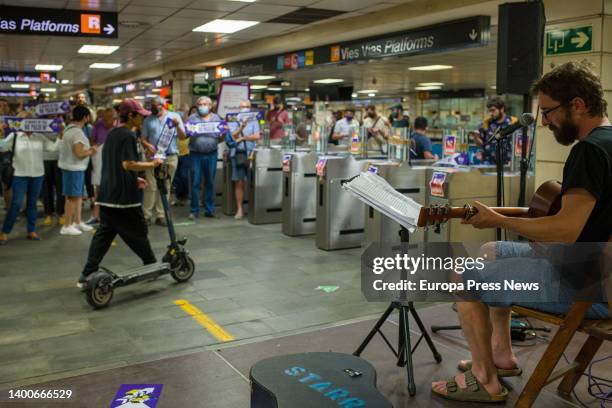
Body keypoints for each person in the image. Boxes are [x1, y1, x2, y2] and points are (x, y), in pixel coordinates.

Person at [431, 61, 611, 403]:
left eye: (548, 112)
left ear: (578, 104)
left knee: (464, 275)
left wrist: (497, 220)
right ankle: (500, 355)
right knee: (493, 252)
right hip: (597, 273)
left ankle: (484, 378)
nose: (544, 122)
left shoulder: (588, 151)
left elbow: (565, 230)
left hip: (587, 289)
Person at [78, 99, 163, 288]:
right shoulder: (127, 135)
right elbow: (127, 164)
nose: (143, 118)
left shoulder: (113, 134)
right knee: (138, 231)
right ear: (131, 116)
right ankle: (151, 264)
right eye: (140, 115)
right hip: (124, 198)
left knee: (104, 235)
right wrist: (152, 164)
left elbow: (116, 165)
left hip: (108, 195)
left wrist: (134, 179)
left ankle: (87, 273)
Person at [0, 112, 60, 244]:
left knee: (32, 204)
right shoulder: (14, 136)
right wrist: (0, 133)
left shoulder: (39, 136)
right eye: (27, 120)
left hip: (37, 174)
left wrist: (60, 136)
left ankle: (31, 231)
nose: (30, 123)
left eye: (33, 120)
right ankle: (5, 232)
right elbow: (2, 147)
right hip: (19, 175)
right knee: (16, 204)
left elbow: (53, 148)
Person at [141, 96, 186, 226]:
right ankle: (146, 215)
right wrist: (147, 145)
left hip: (170, 156)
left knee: (166, 186)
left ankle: (161, 215)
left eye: (155, 105)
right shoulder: (148, 120)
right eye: (151, 106)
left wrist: (177, 126)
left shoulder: (174, 117)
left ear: (163, 105)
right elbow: (143, 138)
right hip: (153, 157)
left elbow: (183, 137)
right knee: (151, 185)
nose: (153, 108)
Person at [58, 105, 97, 236]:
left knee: (78, 196)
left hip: (74, 168)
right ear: (85, 117)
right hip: (73, 169)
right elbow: (79, 153)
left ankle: (77, 221)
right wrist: (91, 151)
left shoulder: (69, 129)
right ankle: (67, 225)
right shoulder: (77, 132)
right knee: (72, 197)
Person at [187, 96, 225, 219]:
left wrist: (224, 132)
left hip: (212, 154)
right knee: (196, 182)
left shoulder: (216, 118)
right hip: (195, 154)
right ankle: (194, 210)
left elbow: (221, 137)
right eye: (200, 104)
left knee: (209, 182)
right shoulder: (192, 118)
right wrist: (189, 130)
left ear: (210, 106)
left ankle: (210, 209)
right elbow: (186, 134)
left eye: (205, 104)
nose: (202, 106)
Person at [227, 100, 261, 219]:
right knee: (239, 182)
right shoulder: (233, 120)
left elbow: (257, 136)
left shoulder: (254, 120)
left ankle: (254, 209)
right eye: (242, 107)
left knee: (253, 182)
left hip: (251, 154)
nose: (244, 109)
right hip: (237, 154)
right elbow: (232, 136)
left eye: (247, 107)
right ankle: (239, 209)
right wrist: (241, 127)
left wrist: (244, 138)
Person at [86, 107, 116, 226]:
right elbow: (92, 140)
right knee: (99, 189)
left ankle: (112, 217)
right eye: (102, 119)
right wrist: (95, 146)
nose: (104, 122)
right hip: (99, 159)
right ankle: (96, 215)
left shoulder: (120, 128)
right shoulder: (98, 125)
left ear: (114, 119)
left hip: (114, 162)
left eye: (106, 120)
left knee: (113, 190)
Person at [472, 97, 517, 165]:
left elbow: (520, 144)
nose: (490, 113)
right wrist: (475, 137)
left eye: (493, 110)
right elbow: (480, 144)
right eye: (489, 111)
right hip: (488, 164)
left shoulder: (513, 122)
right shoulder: (486, 123)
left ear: (502, 109)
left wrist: (515, 161)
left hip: (507, 165)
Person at [42, 114, 65, 226]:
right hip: (45, 160)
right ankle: (48, 213)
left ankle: (61, 213)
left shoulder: (61, 124)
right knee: (47, 188)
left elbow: (64, 144)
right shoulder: (40, 126)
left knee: (60, 187)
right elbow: (44, 146)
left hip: (59, 160)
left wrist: (61, 133)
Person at [0, 98, 14, 211]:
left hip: (7, 155)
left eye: (5, 105)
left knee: (8, 183)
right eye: (1, 105)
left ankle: (9, 208)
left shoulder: (13, 122)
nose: (3, 107)